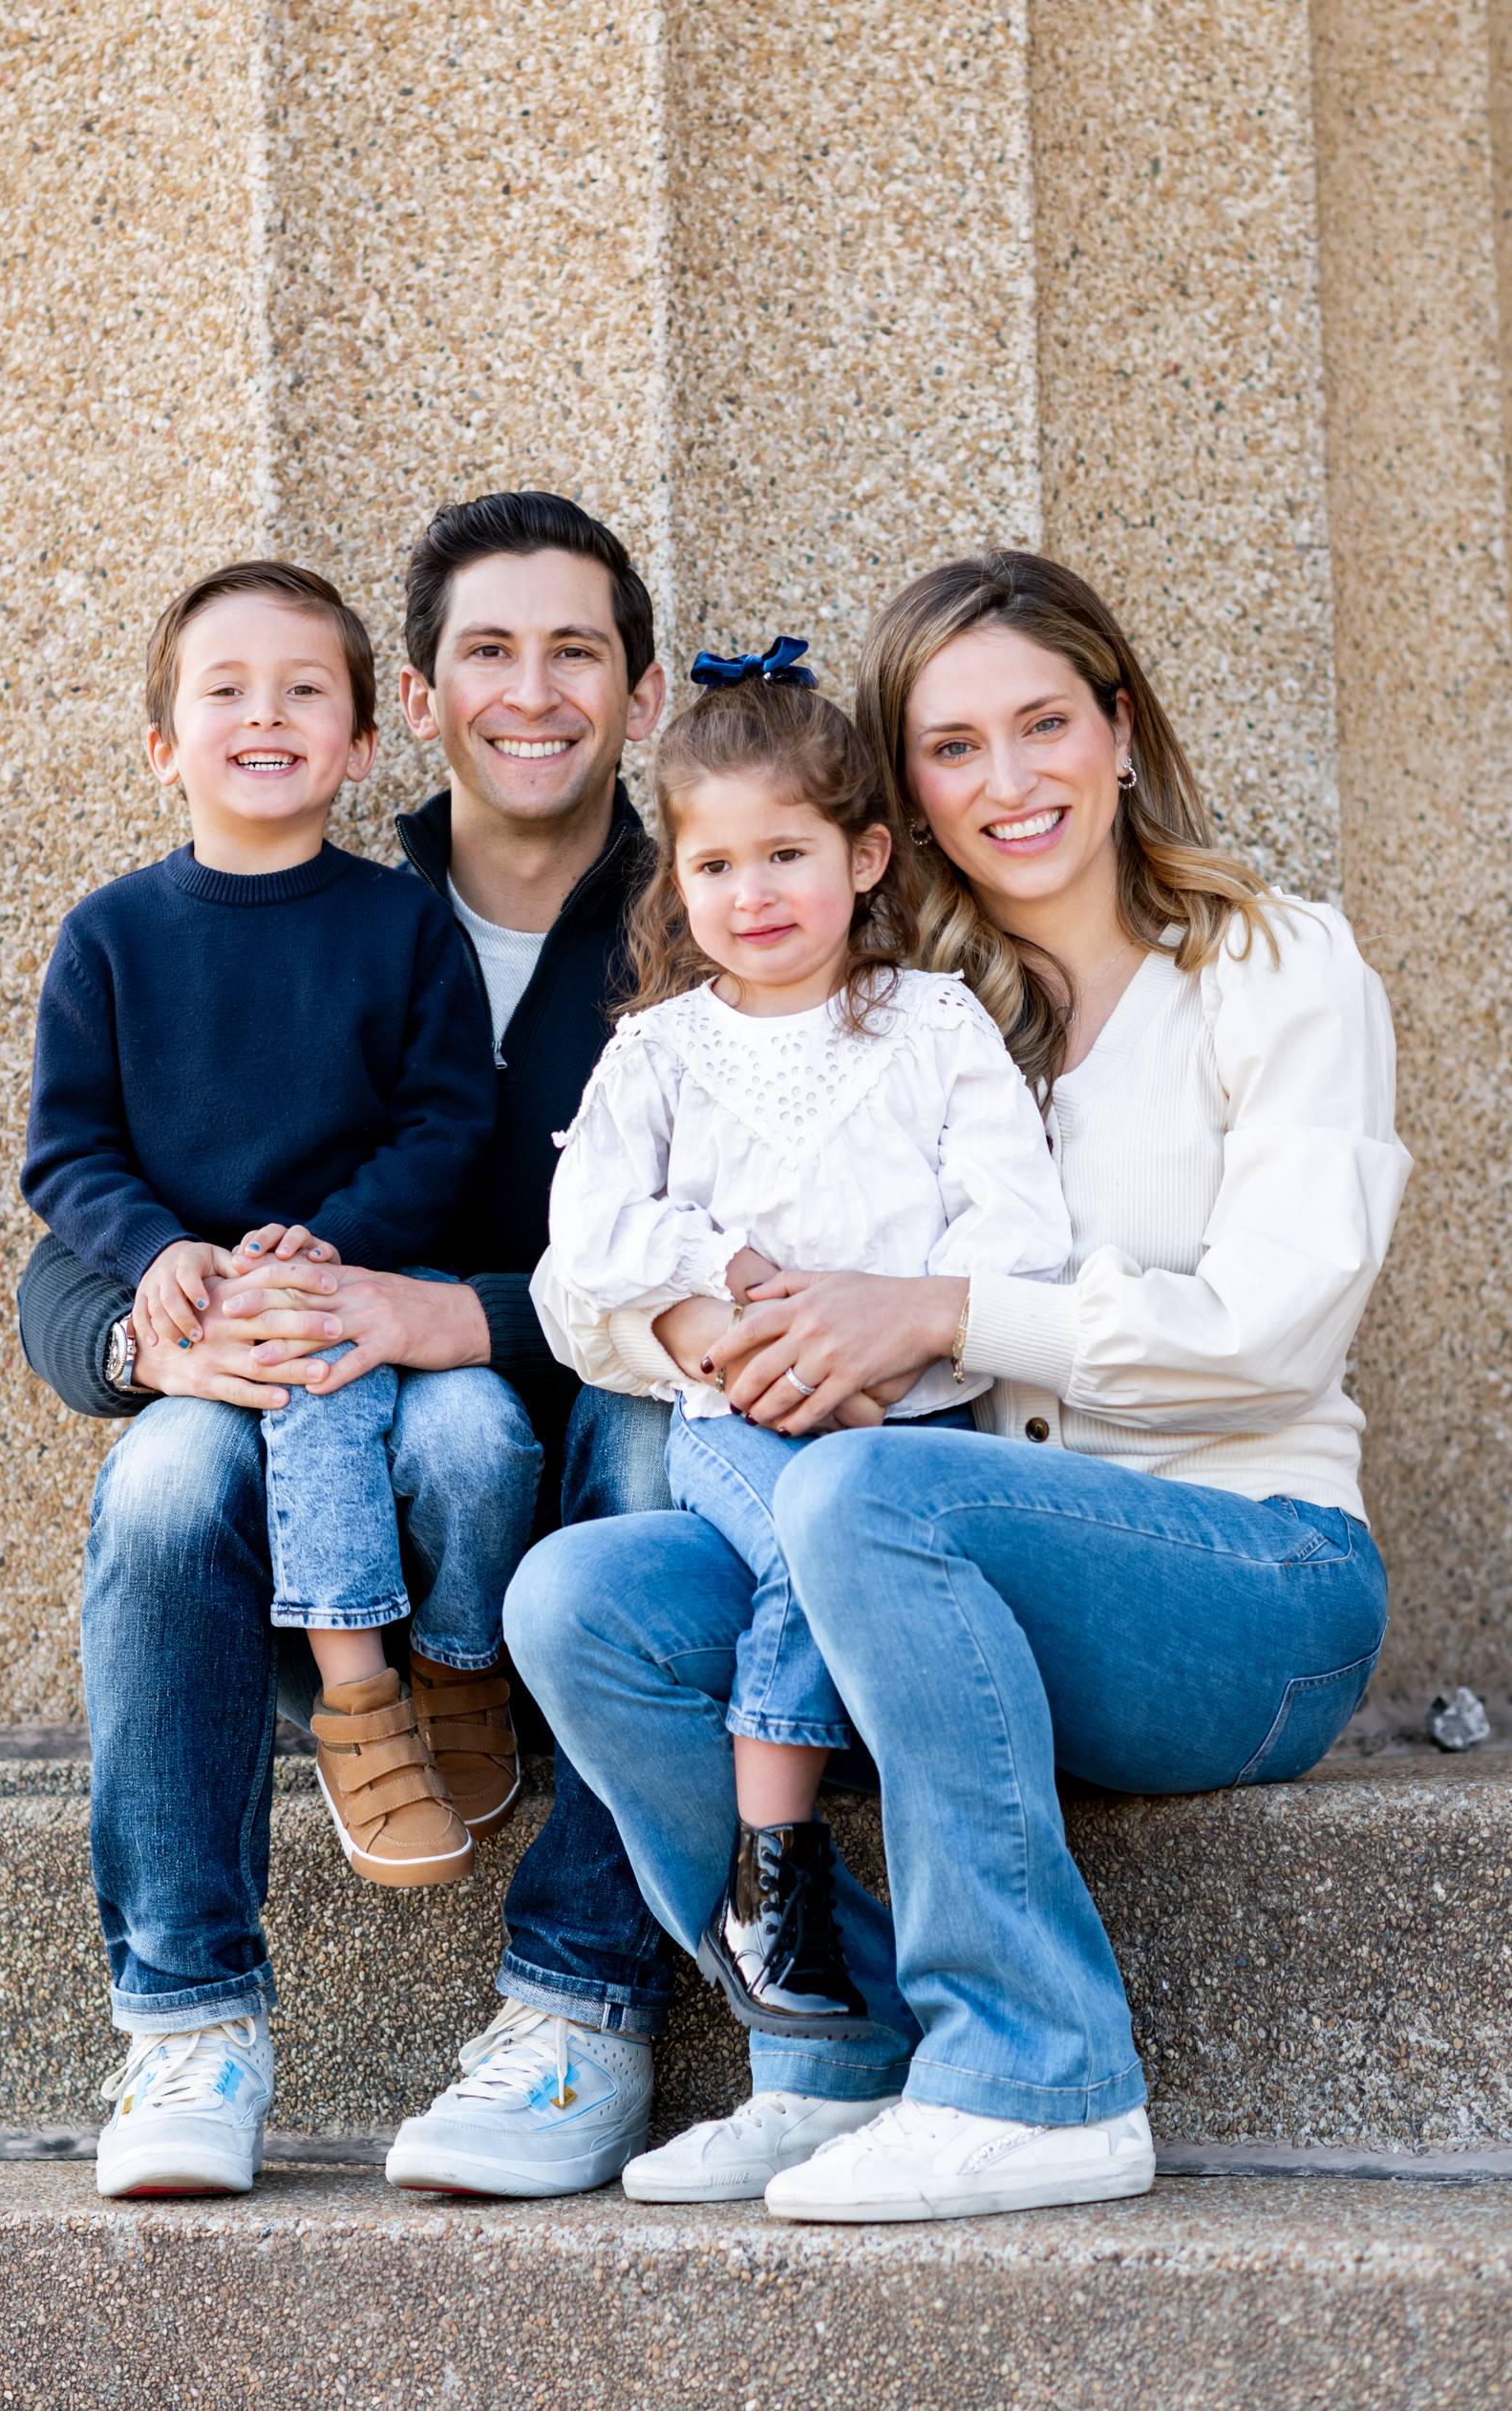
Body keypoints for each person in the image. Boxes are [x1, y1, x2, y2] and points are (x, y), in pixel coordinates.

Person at [506, 549, 1411, 2217]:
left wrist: (939, 1311)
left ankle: (1043, 2074)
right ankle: (834, 2048)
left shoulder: (1276, 966)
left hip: (1249, 1583)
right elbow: (583, 1279)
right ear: (900, 796)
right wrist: (704, 1335)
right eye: (952, 746)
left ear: (1117, 727)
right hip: (937, 1563)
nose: (1008, 781)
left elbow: (1275, 1324)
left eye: (1043, 724)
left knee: (865, 1492)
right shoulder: (895, 1003)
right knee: (583, 1600)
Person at [17, 493, 692, 2201]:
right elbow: (65, 1225)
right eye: (489, 651)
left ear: (646, 692)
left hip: (545, 1469)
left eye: (575, 654)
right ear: (424, 690)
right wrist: (149, 1339)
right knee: (163, 1480)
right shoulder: (301, 899)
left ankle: (579, 2013)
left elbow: (768, 1261)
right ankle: (188, 2020)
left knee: (652, 1447)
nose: (531, 693)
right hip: (292, 1482)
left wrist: (445, 1311)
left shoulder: (722, 916)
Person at [538, 639, 1069, 2048]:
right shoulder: (655, 1055)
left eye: (786, 855)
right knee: (809, 1553)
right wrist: (717, 1286)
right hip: (737, 1422)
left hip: (916, 1429)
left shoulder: (932, 1027)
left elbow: (1015, 1238)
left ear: (870, 855)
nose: (751, 895)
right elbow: (584, 1244)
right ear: (675, 883)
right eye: (713, 868)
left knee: (848, 1543)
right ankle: (778, 1873)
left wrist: (889, 1355)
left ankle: (781, 1898)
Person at [23, 558, 508, 1922]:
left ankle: (460, 1667)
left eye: (306, 690)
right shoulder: (110, 938)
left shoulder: (403, 925)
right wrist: (160, 1252)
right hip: (214, 1319)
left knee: (477, 1442)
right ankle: (359, 1707)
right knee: (294, 1394)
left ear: (360, 742)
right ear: (165, 747)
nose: (267, 713)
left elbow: (442, 1124)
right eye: (225, 690)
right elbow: (67, 1152)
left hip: (373, 1286)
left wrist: (337, 1249)